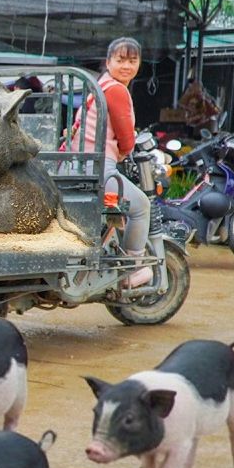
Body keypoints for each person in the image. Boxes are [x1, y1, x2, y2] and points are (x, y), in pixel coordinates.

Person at [75, 37, 152, 287]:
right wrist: (122, 153)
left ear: (139, 64)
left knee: (116, 208)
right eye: (120, 60)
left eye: (132, 60)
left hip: (79, 164)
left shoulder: (100, 86)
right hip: (98, 167)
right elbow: (127, 139)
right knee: (140, 206)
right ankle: (133, 269)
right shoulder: (117, 90)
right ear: (108, 62)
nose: (126, 66)